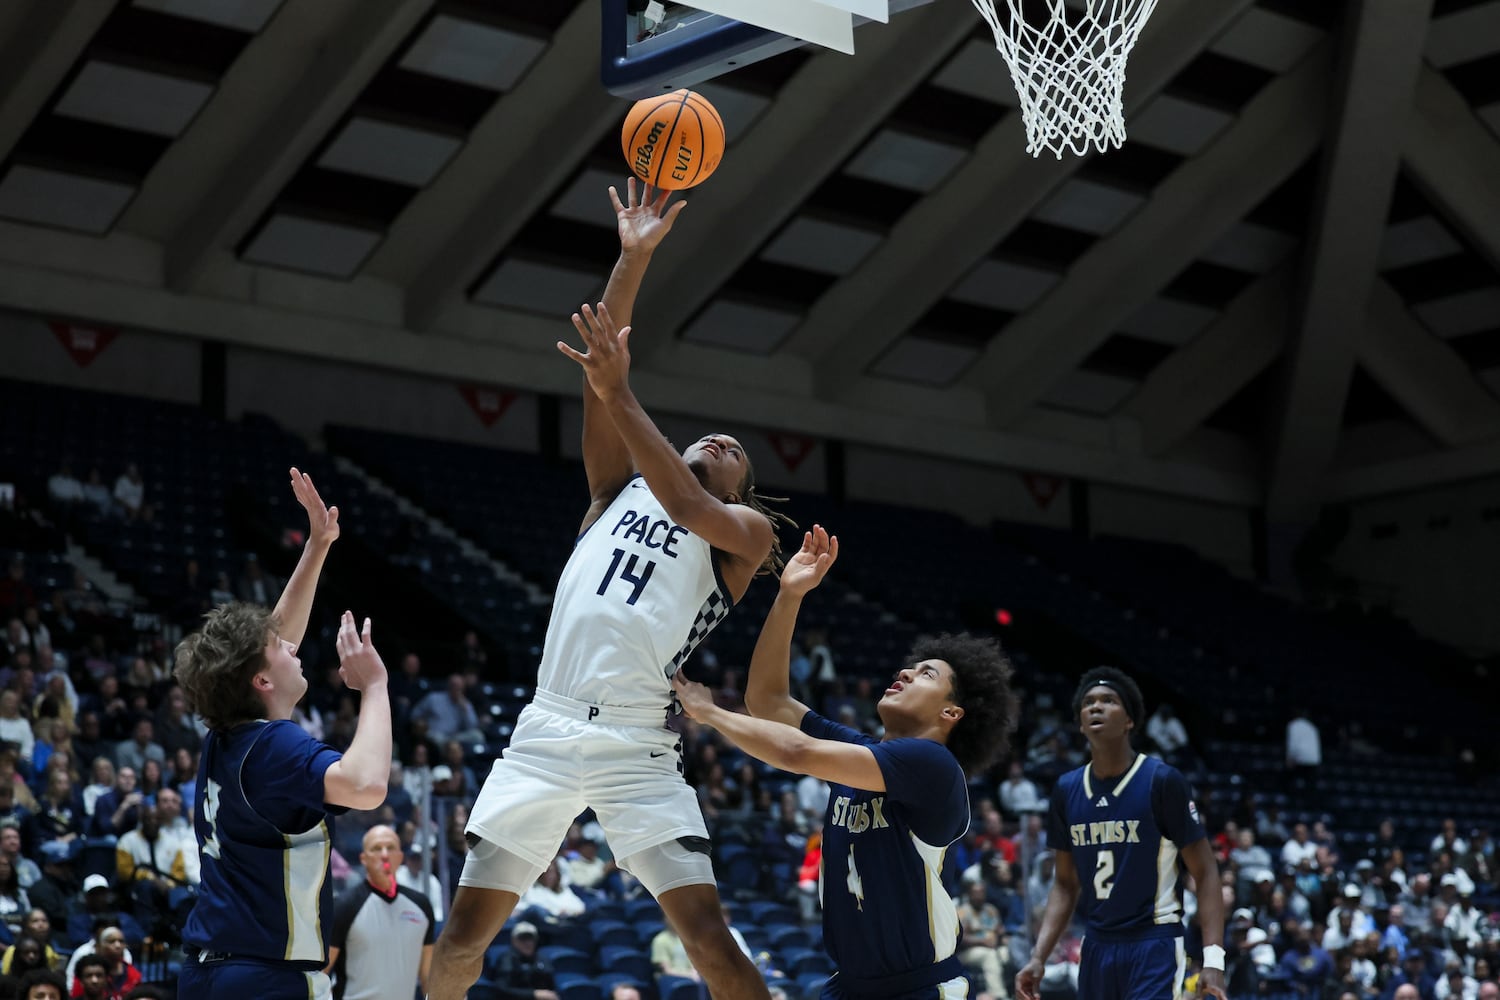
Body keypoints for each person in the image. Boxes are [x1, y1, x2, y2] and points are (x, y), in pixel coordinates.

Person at [426, 181, 790, 1000]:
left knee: (709, 941)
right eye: (710, 435)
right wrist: (633, 258)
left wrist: (621, 392)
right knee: (460, 938)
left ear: (742, 489)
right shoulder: (613, 491)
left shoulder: (744, 536)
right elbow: (602, 369)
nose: (719, 439)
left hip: (637, 745)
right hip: (545, 731)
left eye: (734, 451)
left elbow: (679, 491)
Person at [673, 525, 1019, 1000]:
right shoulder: (863, 755)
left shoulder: (932, 764)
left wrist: (710, 713)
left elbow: (795, 752)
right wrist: (790, 595)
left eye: (926, 674)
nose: (905, 672)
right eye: (911, 667)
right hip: (849, 986)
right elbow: (767, 700)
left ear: (951, 713)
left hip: (917, 989)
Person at [172, 469, 392, 1000]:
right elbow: (366, 786)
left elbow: (268, 642)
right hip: (267, 976)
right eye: (280, 649)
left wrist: (317, 545)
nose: (292, 644)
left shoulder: (227, 735)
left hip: (207, 973)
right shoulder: (274, 745)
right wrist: (375, 687)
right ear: (262, 682)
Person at [1017, 667, 1228, 1000]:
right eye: (1088, 703)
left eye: (1109, 700)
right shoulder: (1067, 789)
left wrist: (1213, 960)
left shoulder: (1162, 781)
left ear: (1129, 720)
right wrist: (1038, 957)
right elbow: (1065, 884)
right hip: (1096, 946)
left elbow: (1205, 872)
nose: (1096, 707)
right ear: (1080, 723)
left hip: (1154, 943)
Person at [327, 825, 435, 1000]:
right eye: (376, 848)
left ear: (400, 856)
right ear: (364, 859)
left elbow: (427, 976)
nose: (384, 855)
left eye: (390, 848)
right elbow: (322, 973)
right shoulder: (344, 906)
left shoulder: (421, 906)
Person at [485, 921, 558, 1000]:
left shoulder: (542, 960)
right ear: (514, 940)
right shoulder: (507, 959)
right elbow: (501, 990)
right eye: (523, 938)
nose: (527, 942)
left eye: (530, 938)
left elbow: (551, 987)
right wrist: (533, 994)